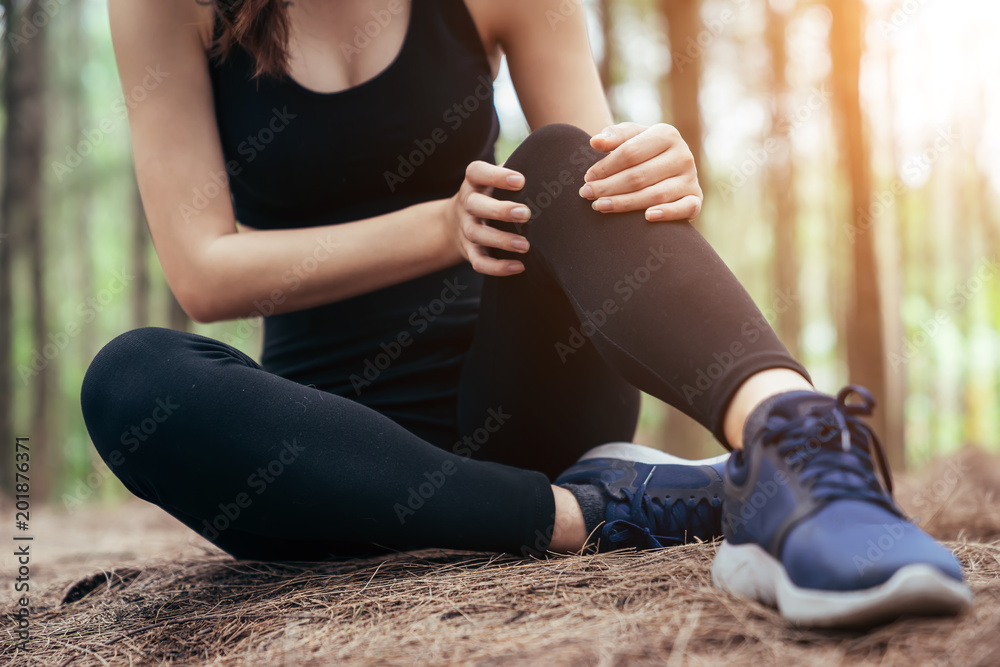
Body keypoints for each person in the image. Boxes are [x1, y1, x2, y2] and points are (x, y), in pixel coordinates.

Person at [80, 0, 972, 628]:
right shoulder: (172, 4)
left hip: (529, 401)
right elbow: (203, 268)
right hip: (331, 457)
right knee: (129, 378)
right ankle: (597, 513)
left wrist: (658, 172)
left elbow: (592, 196)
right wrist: (439, 226)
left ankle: (799, 448)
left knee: (561, 158)